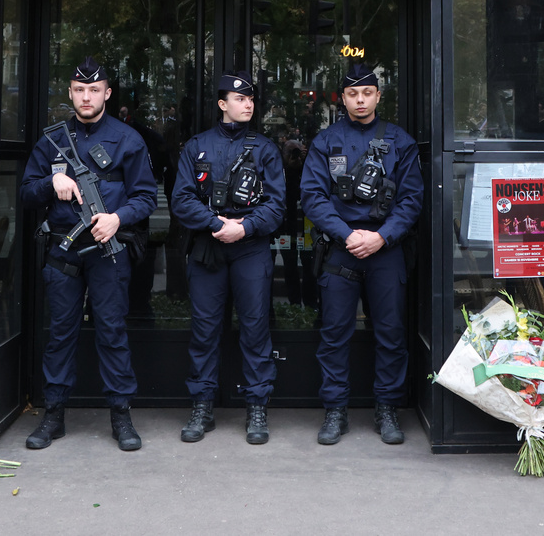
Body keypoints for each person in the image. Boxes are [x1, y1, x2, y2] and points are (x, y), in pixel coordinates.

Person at [20, 57, 157, 452]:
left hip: (107, 251)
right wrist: (52, 181)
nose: (86, 96)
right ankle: (54, 416)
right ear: (70, 92)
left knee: (112, 332)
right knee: (60, 334)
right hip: (63, 248)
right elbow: (27, 193)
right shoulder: (51, 141)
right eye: (79, 90)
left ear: (107, 94)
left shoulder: (128, 139)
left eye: (94, 90)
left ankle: (121, 415)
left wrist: (118, 218)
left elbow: (147, 196)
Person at [300, 63, 423, 446]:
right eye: (352, 94)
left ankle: (386, 408)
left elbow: (411, 200)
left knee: (390, 334)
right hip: (342, 250)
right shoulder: (327, 141)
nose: (360, 100)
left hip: (385, 251)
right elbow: (313, 198)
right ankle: (335, 410)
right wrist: (348, 234)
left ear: (377, 96)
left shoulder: (400, 141)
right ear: (343, 98)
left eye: (367, 93)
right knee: (335, 334)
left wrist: (381, 238)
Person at [171, 71, 285, 445]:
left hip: (250, 249)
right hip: (209, 248)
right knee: (204, 330)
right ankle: (202, 405)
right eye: (239, 99)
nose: (247, 104)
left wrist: (245, 227)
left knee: (255, 330)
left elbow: (277, 206)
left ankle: (256, 407)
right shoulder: (197, 146)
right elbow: (181, 200)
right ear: (223, 104)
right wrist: (215, 223)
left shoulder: (265, 149)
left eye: (251, 99)